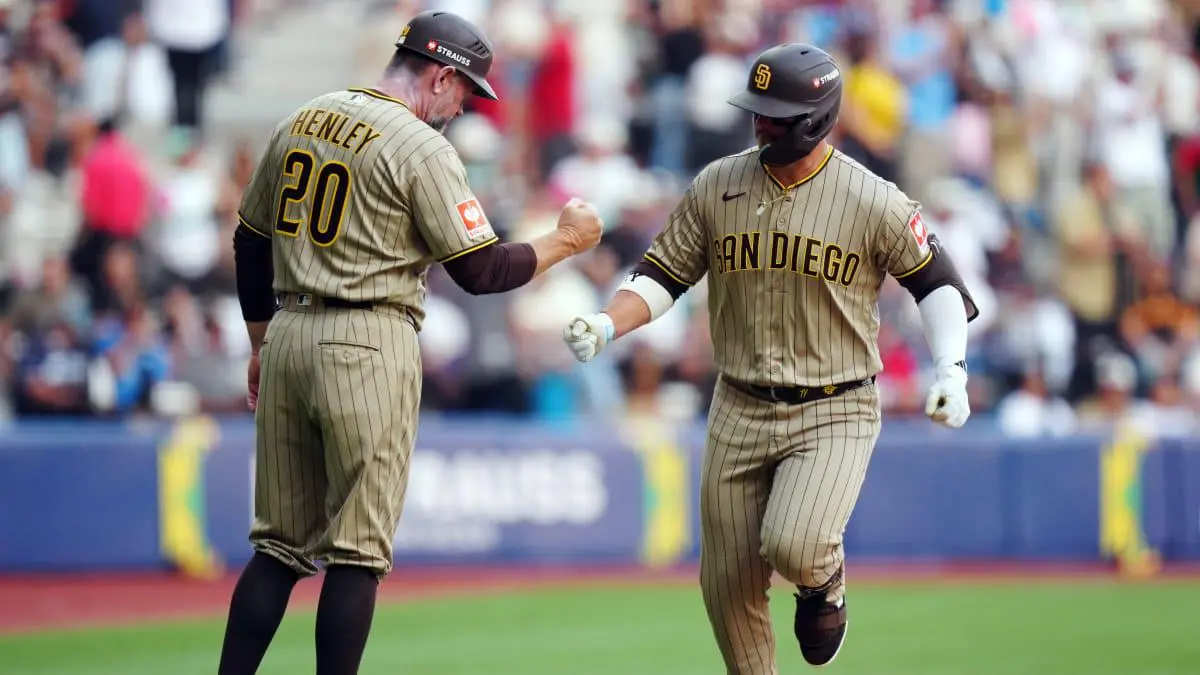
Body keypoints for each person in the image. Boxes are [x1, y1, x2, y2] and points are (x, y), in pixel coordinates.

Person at [562, 43, 977, 673]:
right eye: (756, 110)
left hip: (834, 404)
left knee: (797, 542)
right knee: (726, 584)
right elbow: (662, 274)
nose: (759, 123)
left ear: (814, 118)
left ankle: (824, 580)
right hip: (738, 403)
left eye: (775, 114)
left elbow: (938, 283)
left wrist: (952, 369)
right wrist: (606, 321)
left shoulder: (871, 198)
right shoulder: (718, 183)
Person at [216, 10, 602, 674]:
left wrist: (260, 341)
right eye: (463, 92)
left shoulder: (305, 116)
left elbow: (249, 239)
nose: (461, 108)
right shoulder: (421, 147)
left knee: (277, 547)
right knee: (357, 551)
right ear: (441, 76)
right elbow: (479, 270)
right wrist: (564, 242)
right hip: (367, 338)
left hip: (287, 332)